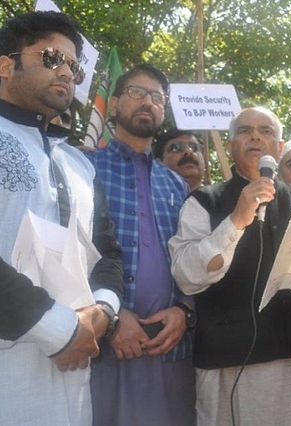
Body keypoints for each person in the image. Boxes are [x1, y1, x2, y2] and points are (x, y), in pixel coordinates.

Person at [0, 11, 124, 425]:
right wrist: (57, 329)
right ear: (6, 65)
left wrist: (102, 313)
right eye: (52, 57)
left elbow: (108, 256)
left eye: (74, 65)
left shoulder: (80, 163)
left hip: (75, 374)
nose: (67, 71)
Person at [169, 106, 291, 426]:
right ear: (231, 143)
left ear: (278, 146)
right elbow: (186, 276)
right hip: (229, 366)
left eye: (265, 131)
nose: (255, 136)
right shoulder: (204, 201)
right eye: (245, 130)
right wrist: (235, 220)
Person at [86, 64, 196, 426]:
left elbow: (188, 256)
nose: (147, 102)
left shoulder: (176, 184)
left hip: (168, 345)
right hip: (105, 345)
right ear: (114, 103)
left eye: (157, 97)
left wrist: (184, 310)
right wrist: (112, 318)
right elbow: (70, 253)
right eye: (137, 93)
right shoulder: (82, 166)